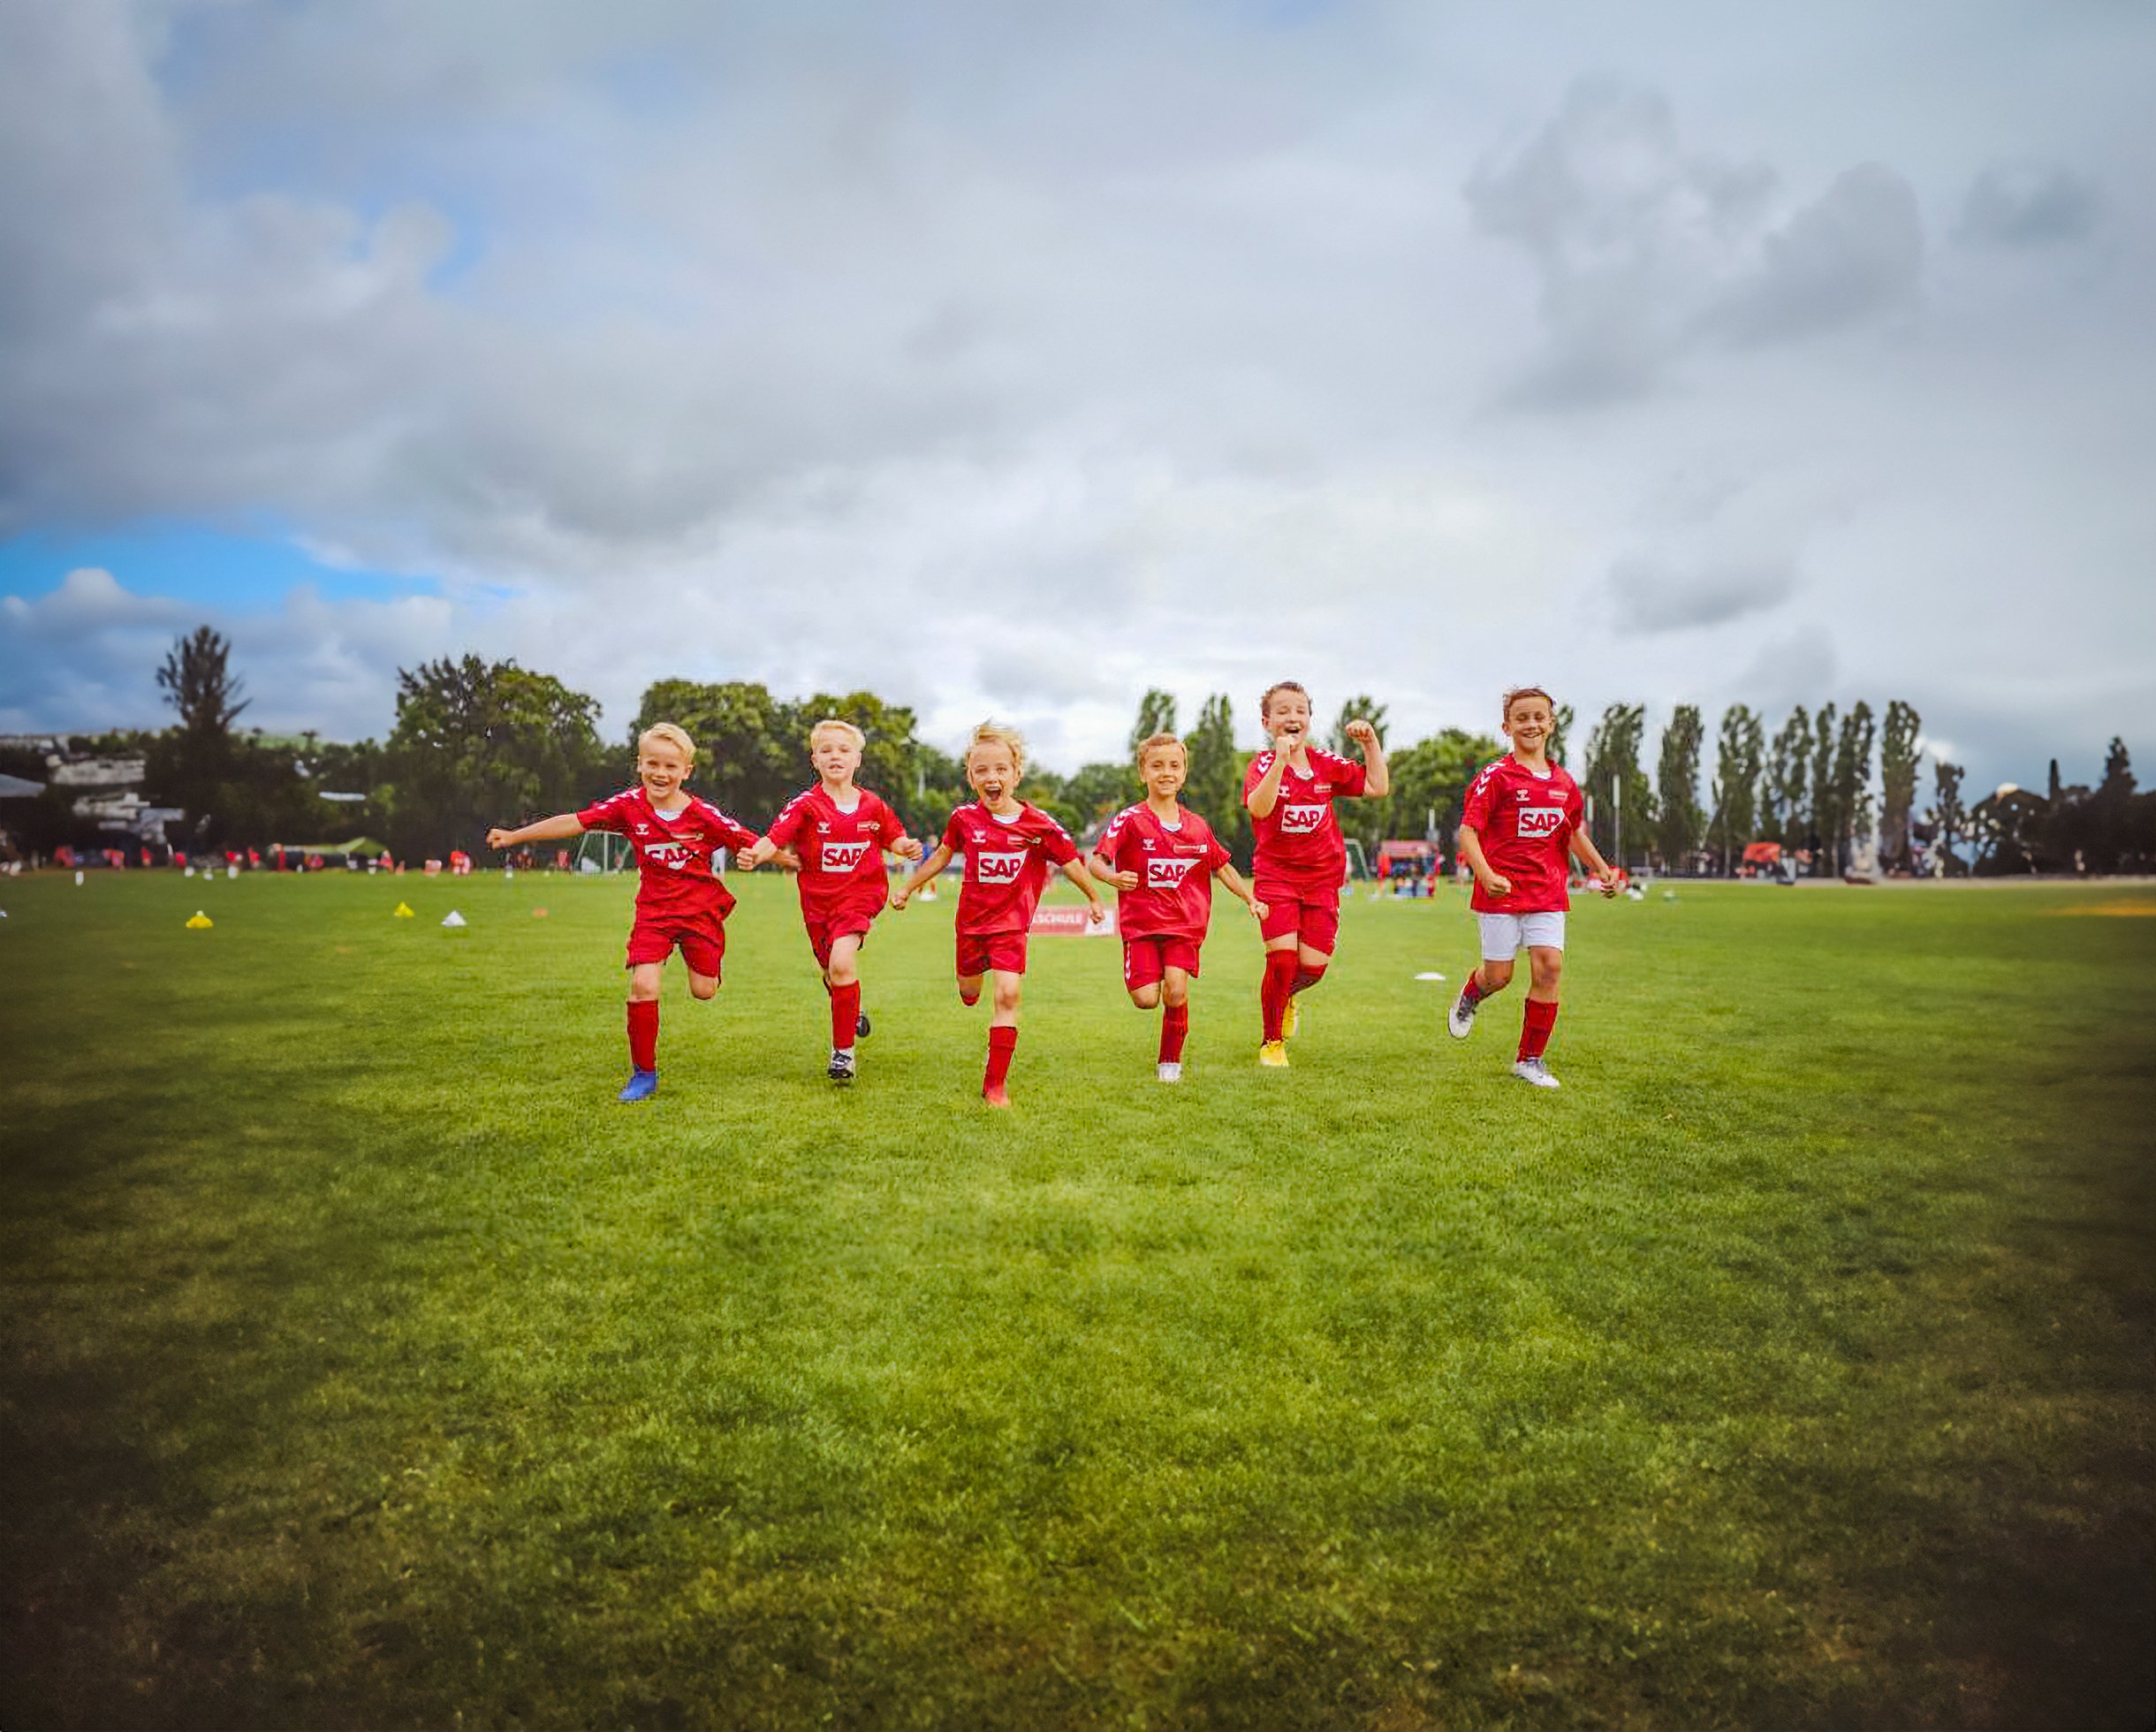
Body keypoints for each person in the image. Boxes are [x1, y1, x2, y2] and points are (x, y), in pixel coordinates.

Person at [485, 722, 762, 1102]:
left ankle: (709, 963)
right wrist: (515, 836)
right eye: (653, 764)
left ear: (686, 771)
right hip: (654, 913)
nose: (660, 773)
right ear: (640, 764)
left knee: (704, 990)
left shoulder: (702, 814)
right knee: (643, 985)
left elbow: (753, 842)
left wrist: (791, 859)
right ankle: (643, 1074)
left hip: (699, 913)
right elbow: (574, 822)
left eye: (670, 766)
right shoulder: (628, 806)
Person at [891, 722, 1107, 1107]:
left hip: (1011, 927)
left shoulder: (1040, 825)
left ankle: (995, 1085)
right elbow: (941, 855)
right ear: (971, 777)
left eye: (1001, 769)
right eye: (982, 770)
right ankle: (971, 992)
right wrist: (908, 887)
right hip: (971, 925)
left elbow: (1070, 862)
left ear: (1016, 774)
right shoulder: (963, 819)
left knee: (1008, 995)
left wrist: (1094, 897)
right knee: (969, 992)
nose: (992, 777)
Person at [1445, 686, 1620, 1088]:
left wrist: (1601, 868)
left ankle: (1530, 1060)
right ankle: (1472, 994)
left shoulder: (1564, 783)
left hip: (1547, 892)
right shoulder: (1496, 777)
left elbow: (1572, 832)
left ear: (1551, 724)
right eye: (1521, 717)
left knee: (1549, 967)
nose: (1531, 724)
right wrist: (1485, 874)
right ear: (1507, 727)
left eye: (1539, 717)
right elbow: (1468, 832)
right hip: (1501, 893)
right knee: (1499, 976)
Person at [740, 718, 924, 1083]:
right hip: (817, 906)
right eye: (826, 750)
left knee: (841, 963)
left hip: (860, 898)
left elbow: (894, 837)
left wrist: (906, 847)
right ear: (815, 760)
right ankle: (851, 1009)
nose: (835, 756)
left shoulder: (873, 805)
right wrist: (755, 854)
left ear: (857, 759)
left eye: (843, 750)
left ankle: (843, 1054)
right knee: (832, 971)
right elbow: (774, 838)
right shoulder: (805, 805)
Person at [1089, 733, 1267, 1082]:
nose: (1166, 772)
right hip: (1141, 927)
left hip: (1184, 926)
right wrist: (1112, 878)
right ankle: (1148, 975)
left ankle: (1170, 1062)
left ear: (1184, 773)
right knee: (1145, 999)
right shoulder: (1130, 820)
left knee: (1176, 988)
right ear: (1143, 772)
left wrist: (1250, 898)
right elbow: (1096, 862)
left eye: (1174, 765)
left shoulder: (1197, 826)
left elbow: (1222, 866)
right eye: (1157, 766)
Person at [1242, 680, 1390, 1067]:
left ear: (1309, 719)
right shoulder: (1261, 765)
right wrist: (1280, 761)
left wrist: (1370, 744)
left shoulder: (1325, 763)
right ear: (1267, 722)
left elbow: (1377, 786)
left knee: (1313, 968)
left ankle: (1287, 997)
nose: (1292, 717)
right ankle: (1272, 1042)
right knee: (1281, 961)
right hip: (1276, 878)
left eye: (1300, 710)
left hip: (1322, 880)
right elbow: (1259, 809)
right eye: (1282, 711)